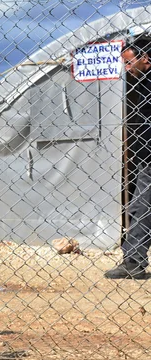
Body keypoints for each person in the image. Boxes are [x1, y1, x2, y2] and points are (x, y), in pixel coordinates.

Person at [106, 37, 151, 279]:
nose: (126, 68)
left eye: (128, 62)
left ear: (144, 59)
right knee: (141, 206)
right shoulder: (142, 83)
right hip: (147, 156)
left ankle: (133, 261)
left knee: (141, 207)